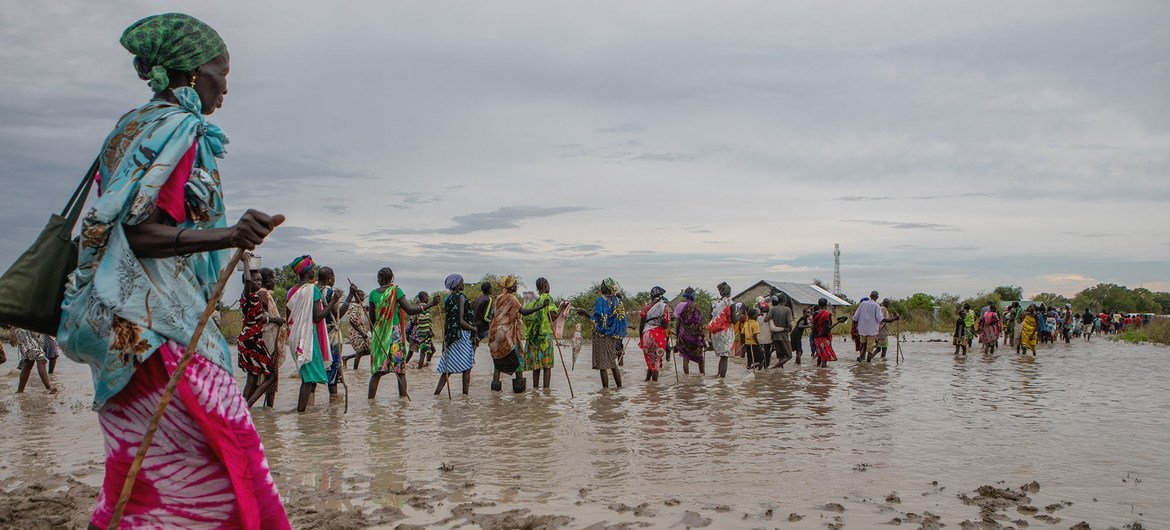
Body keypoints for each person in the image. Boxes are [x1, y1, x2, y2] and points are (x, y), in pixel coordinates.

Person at [56, 14, 288, 527]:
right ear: (191, 74)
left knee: (139, 477)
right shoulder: (177, 129)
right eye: (221, 73)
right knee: (234, 458)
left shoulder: (130, 127)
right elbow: (139, 232)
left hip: (117, 327)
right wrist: (230, 235)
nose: (225, 87)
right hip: (159, 332)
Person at [367, 268, 437, 401]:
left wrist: (376, 336)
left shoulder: (372, 294)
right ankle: (403, 403)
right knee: (400, 371)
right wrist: (430, 304)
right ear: (392, 278)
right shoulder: (396, 291)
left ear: (379, 279)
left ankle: (370, 404)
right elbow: (410, 310)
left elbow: (372, 320)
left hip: (379, 335)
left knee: (376, 372)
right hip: (394, 335)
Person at [286, 256, 334, 413]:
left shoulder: (291, 292)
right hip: (308, 336)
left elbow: (288, 318)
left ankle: (307, 412)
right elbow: (318, 317)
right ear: (307, 272)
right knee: (307, 379)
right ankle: (301, 414)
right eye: (313, 268)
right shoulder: (312, 290)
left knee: (308, 373)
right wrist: (334, 302)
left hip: (295, 336)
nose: (315, 271)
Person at [489, 276, 545, 392]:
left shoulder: (497, 298)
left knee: (498, 359)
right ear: (510, 287)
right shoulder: (512, 299)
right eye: (515, 284)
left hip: (495, 332)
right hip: (507, 333)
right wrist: (541, 306)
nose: (516, 286)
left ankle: (495, 390)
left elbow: (494, 315)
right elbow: (524, 312)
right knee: (518, 359)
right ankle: (519, 391)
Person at [318, 267, 360, 396]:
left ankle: (313, 403)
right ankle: (333, 401)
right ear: (330, 278)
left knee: (321, 367)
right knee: (333, 368)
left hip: (320, 333)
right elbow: (338, 314)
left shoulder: (316, 291)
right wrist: (350, 295)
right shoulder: (330, 293)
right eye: (334, 277)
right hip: (332, 335)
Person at [237, 254, 272, 404]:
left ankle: (244, 408)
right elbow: (247, 280)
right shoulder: (247, 297)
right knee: (270, 375)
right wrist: (246, 262)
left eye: (260, 280)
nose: (259, 282)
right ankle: (247, 405)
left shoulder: (255, 297)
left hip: (253, 339)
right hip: (250, 340)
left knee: (252, 377)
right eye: (256, 280)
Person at [579, 279, 626, 387]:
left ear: (607, 288)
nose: (601, 287)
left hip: (601, 335)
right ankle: (620, 388)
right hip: (612, 335)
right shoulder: (617, 301)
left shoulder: (601, 300)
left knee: (603, 366)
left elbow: (597, 318)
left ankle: (605, 392)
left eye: (603, 285)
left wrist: (584, 312)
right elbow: (621, 319)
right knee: (613, 363)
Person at [436, 274, 477, 395]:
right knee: (467, 367)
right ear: (458, 285)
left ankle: (437, 394)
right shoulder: (461, 297)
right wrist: (473, 329)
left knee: (448, 368)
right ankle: (465, 396)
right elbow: (461, 321)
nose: (463, 284)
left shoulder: (447, 298)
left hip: (450, 336)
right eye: (462, 282)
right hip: (461, 335)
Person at [524, 278, 566, 389]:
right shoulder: (548, 298)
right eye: (548, 285)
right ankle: (546, 392)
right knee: (547, 366)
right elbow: (553, 316)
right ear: (546, 286)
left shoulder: (535, 301)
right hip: (544, 337)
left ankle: (535, 391)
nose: (549, 287)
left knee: (536, 366)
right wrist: (561, 307)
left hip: (534, 337)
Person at [254, 267, 286, 408]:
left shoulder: (266, 294)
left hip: (269, 339)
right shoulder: (262, 294)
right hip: (267, 340)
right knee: (271, 377)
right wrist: (275, 320)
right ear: (267, 281)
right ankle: (265, 407)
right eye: (272, 279)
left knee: (265, 377)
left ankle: (266, 413)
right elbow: (258, 316)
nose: (274, 281)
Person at [638, 286, 672, 381]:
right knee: (656, 362)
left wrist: (641, 338)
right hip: (658, 335)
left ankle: (647, 383)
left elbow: (641, 324)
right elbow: (665, 323)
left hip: (646, 335)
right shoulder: (664, 307)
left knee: (650, 362)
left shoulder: (646, 307)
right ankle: (654, 387)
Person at [675, 288, 706, 376]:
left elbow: (677, 323)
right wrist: (703, 338)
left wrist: (677, 336)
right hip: (696, 337)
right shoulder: (697, 306)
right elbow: (700, 324)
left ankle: (686, 378)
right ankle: (702, 377)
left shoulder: (680, 306)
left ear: (685, 295)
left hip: (684, 335)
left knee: (685, 358)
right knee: (700, 358)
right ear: (693, 295)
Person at [13, 328, 55, 393]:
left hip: (37, 333)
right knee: (40, 358)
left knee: (29, 362)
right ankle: (49, 388)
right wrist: (12, 332)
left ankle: (20, 391)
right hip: (24, 331)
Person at [709, 282, 736, 378]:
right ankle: (722, 380)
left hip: (715, 333)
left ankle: (718, 375)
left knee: (722, 356)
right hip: (725, 332)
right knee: (725, 357)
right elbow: (734, 320)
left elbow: (711, 320)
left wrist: (709, 336)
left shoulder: (714, 303)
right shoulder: (731, 303)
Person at [810, 299, 847, 368]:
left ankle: (817, 371)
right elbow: (828, 328)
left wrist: (812, 339)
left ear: (819, 304)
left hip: (816, 338)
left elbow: (813, 327)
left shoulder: (815, 314)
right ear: (826, 305)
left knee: (819, 355)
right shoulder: (827, 314)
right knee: (824, 357)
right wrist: (839, 322)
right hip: (824, 337)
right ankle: (823, 373)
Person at [343, 288, 372, 370]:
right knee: (359, 352)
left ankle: (346, 358)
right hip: (356, 332)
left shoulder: (360, 306)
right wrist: (362, 333)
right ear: (356, 296)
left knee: (369, 350)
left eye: (363, 296)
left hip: (362, 331)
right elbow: (352, 322)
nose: (363, 298)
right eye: (361, 296)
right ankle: (355, 371)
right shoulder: (353, 307)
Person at [851, 291, 883, 362]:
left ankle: (861, 362)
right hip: (872, 331)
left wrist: (855, 328)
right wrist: (893, 319)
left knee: (864, 346)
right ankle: (868, 364)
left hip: (862, 330)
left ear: (870, 296)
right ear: (877, 297)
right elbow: (880, 319)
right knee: (870, 350)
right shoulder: (876, 306)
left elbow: (855, 317)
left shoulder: (862, 304)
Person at [768, 293, 795, 368]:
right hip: (783, 335)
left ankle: (779, 373)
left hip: (775, 336)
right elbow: (789, 322)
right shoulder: (787, 309)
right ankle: (773, 368)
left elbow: (766, 319)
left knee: (781, 356)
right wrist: (790, 329)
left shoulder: (773, 309)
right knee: (789, 356)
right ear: (785, 301)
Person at [413, 292, 436, 368]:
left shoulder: (418, 308)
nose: (428, 298)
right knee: (423, 352)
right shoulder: (425, 308)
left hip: (421, 333)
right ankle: (420, 369)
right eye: (427, 296)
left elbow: (415, 321)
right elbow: (426, 320)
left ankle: (427, 364)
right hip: (425, 333)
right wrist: (428, 331)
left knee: (431, 350)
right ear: (423, 298)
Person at [472, 281, 494, 348]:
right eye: (491, 288)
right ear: (489, 289)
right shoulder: (489, 299)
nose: (492, 289)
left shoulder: (478, 297)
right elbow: (486, 316)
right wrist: (492, 322)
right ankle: (478, 338)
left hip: (474, 324)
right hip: (482, 326)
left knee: (473, 346)